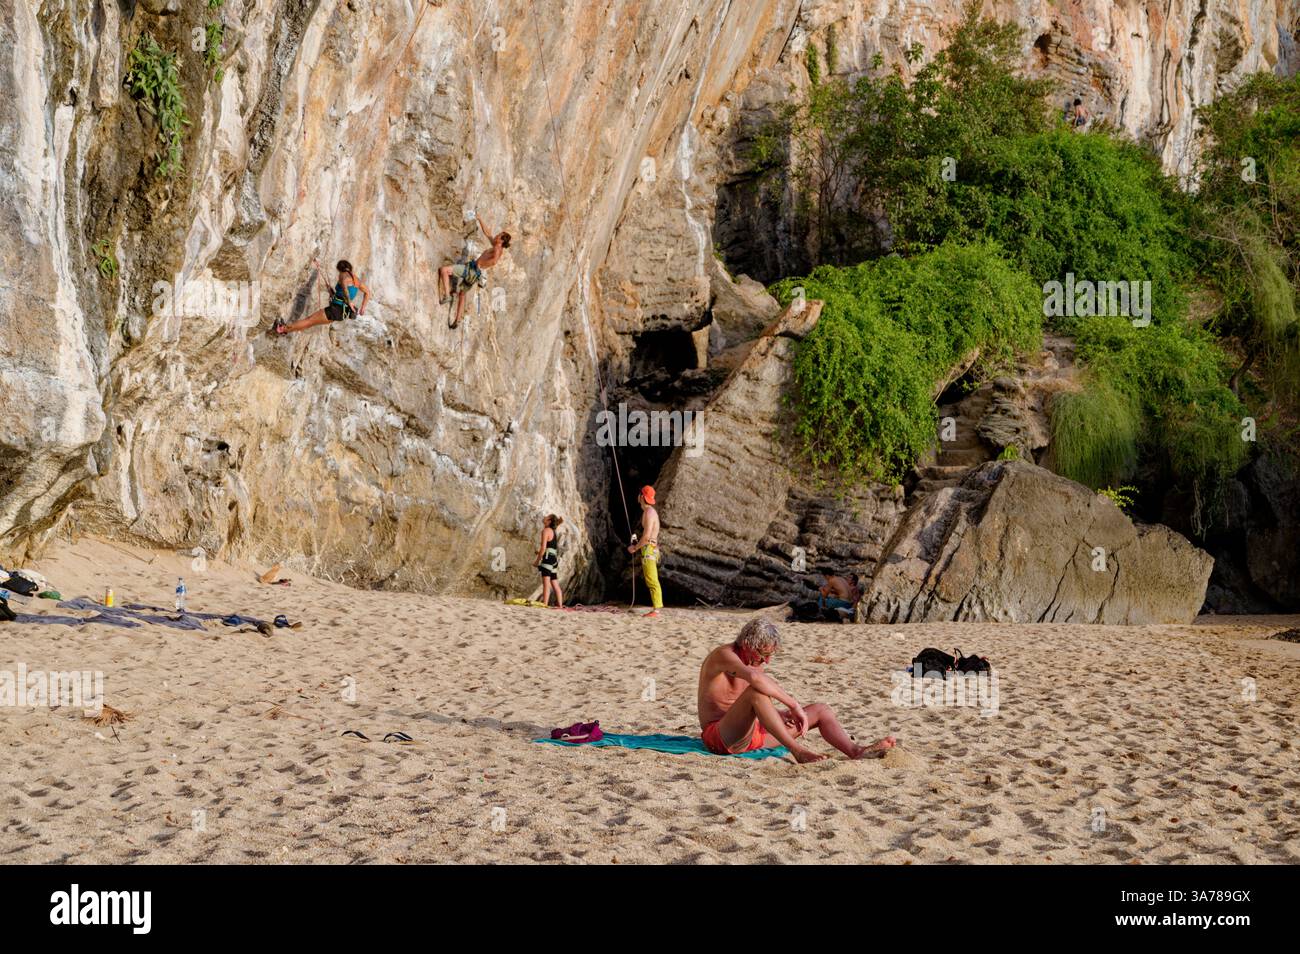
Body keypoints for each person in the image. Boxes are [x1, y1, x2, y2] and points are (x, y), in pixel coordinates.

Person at [697, 619, 896, 763]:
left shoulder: (753, 658)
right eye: (763, 655)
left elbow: (748, 706)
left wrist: (778, 714)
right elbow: (756, 683)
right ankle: (797, 751)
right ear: (748, 645)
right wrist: (793, 705)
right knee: (756, 691)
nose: (766, 661)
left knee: (821, 710)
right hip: (721, 738)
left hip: (752, 735)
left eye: (770, 656)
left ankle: (855, 751)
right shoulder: (724, 655)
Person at [439, 213, 511, 328]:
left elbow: (494, 261)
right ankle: (457, 320)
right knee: (462, 294)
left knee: (444, 270)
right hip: (475, 273)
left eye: (499, 235)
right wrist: (480, 218)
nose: (496, 235)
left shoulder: (497, 249)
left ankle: (447, 296)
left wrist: (480, 264)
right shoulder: (496, 245)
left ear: (501, 241)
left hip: (472, 269)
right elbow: (488, 233)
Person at [276, 260, 369, 334]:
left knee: (309, 321)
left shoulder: (344, 274)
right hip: (340, 312)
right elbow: (367, 293)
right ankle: (285, 330)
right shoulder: (357, 281)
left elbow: (345, 288)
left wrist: (349, 302)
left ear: (340, 269)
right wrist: (362, 308)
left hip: (336, 309)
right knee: (310, 323)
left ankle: (282, 329)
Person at [627, 485, 662, 617]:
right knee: (651, 579)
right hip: (652, 549)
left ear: (642, 497)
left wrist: (634, 548)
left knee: (652, 580)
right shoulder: (650, 511)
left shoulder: (648, 513)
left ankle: (656, 610)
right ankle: (656, 608)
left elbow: (647, 537)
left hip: (649, 550)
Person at [534, 514, 564, 608]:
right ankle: (560, 606)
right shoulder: (553, 531)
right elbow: (549, 547)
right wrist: (539, 552)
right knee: (554, 583)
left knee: (546, 584)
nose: (544, 517)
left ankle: (545, 605)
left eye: (547, 517)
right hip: (554, 559)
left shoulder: (545, 531)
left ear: (549, 521)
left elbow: (543, 548)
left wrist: (537, 561)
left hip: (547, 559)